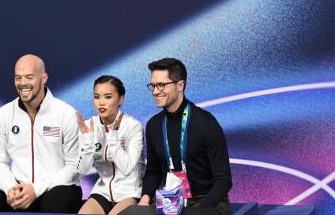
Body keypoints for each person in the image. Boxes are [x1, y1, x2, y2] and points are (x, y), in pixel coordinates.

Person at [0, 54, 83, 212]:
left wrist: (36, 189)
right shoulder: (4, 114)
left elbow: (74, 166)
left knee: (53, 205)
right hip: (20, 187)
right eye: (18, 78)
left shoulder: (66, 113)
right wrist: (11, 189)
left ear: (44, 78)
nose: (22, 83)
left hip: (58, 187)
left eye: (29, 77)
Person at [123, 58, 232, 215]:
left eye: (161, 85)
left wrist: (201, 209)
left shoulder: (206, 123)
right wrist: (145, 198)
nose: (155, 91)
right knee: (131, 213)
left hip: (207, 200)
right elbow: (153, 172)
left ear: (180, 85)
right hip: (171, 199)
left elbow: (224, 180)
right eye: (153, 86)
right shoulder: (154, 125)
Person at [76, 76, 145, 215]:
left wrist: (112, 137)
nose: (101, 102)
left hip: (129, 192)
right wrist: (88, 140)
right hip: (102, 192)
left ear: (120, 99)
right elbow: (83, 170)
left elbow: (126, 168)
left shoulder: (133, 126)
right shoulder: (89, 126)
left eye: (108, 97)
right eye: (97, 97)